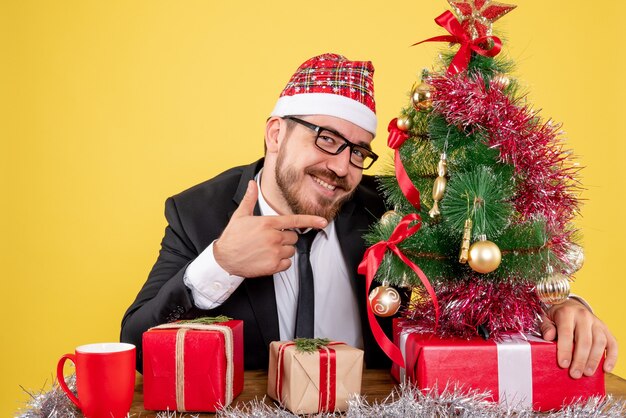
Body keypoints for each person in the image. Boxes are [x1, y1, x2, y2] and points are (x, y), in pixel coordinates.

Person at [121, 53, 617, 379]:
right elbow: (137, 345)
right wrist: (221, 263)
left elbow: (482, 276)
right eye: (326, 139)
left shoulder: (390, 209)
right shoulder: (199, 212)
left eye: (358, 151)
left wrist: (559, 307)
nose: (341, 167)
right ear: (275, 135)